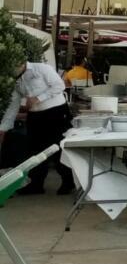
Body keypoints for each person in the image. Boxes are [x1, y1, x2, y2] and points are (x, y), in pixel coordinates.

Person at [0, 59, 75, 195]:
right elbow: (13, 105)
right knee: (34, 150)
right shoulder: (16, 81)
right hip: (35, 115)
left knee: (57, 147)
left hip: (55, 113)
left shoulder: (41, 68)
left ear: (22, 62)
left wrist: (38, 98)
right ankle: (36, 184)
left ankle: (68, 181)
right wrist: (3, 128)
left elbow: (59, 85)